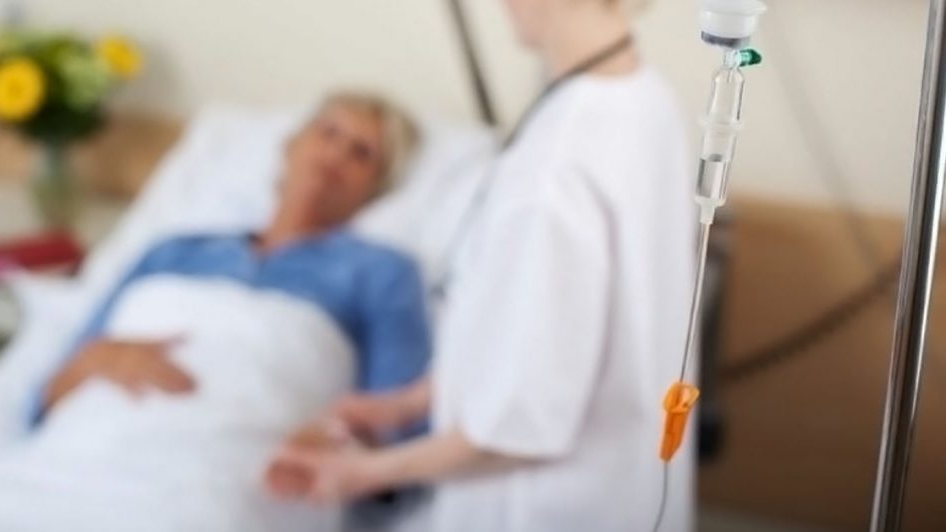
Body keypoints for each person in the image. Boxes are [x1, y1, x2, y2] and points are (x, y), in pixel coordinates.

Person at [266, 1, 696, 531]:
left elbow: (514, 433)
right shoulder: (645, 98)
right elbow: (548, 337)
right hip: (630, 494)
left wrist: (359, 474)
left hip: (537, 511)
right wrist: (408, 404)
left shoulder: (551, 176)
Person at [34, 91, 431, 422]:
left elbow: (397, 429)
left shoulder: (382, 272)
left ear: (377, 188)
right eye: (328, 132)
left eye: (361, 153)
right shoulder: (172, 251)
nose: (335, 154)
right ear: (290, 145)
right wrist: (93, 362)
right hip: (89, 445)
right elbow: (42, 402)